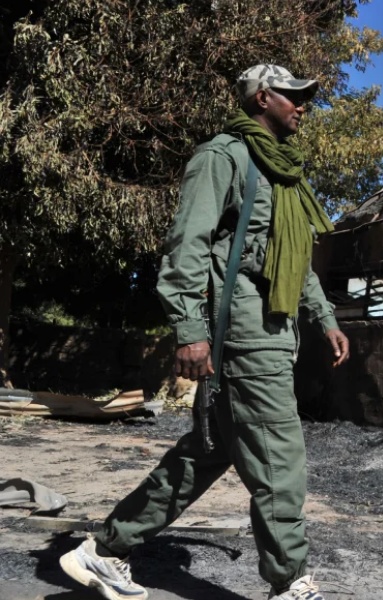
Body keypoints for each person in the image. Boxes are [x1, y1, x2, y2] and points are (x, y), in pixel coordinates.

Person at [58, 64, 350, 600]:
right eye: (293, 96)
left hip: (272, 329)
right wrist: (190, 330)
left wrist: (324, 317)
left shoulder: (284, 172)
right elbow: (187, 245)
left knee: (205, 453)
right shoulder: (223, 157)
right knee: (280, 460)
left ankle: (105, 550)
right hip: (242, 333)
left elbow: (292, 259)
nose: (303, 105)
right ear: (262, 99)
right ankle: (290, 582)